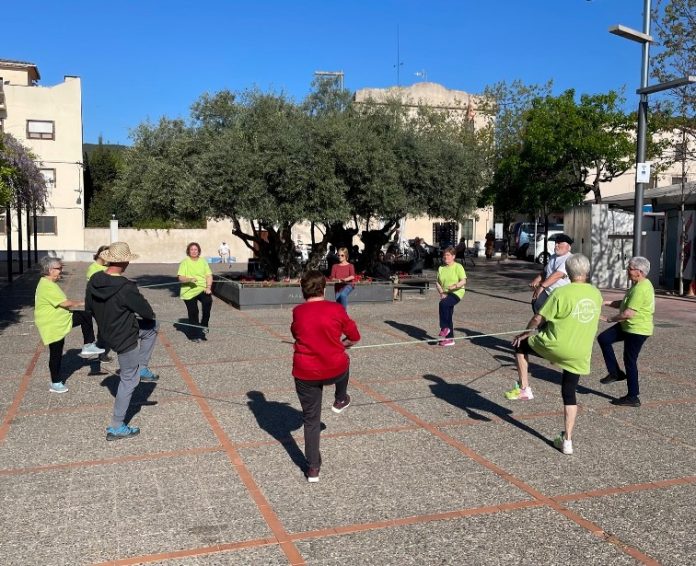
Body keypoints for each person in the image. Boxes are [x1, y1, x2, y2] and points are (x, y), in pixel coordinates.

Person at [506, 254, 602, 455]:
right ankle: (567, 441)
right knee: (569, 393)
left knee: (520, 346)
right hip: (579, 353)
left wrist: (524, 333)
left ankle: (525, 388)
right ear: (587, 272)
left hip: (555, 346)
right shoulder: (595, 294)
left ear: (568, 272)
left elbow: (538, 318)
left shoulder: (561, 293)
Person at [291, 270, 361, 482]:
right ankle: (340, 398)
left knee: (311, 420)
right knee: (344, 362)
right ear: (324, 288)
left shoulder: (298, 311)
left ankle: (313, 468)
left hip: (306, 372)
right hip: (333, 368)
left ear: (303, 290)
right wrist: (341, 344)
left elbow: (295, 332)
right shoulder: (336, 309)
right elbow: (355, 337)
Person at [86, 242, 159, 441]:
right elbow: (147, 312)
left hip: (107, 333)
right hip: (125, 338)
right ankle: (116, 426)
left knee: (152, 328)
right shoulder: (126, 287)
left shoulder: (94, 279)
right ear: (125, 261)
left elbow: (89, 306)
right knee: (129, 379)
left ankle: (142, 367)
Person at [34, 256, 105, 393]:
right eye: (59, 269)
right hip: (53, 324)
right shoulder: (47, 285)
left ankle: (88, 345)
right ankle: (55, 383)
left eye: (61, 268)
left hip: (60, 319)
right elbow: (65, 303)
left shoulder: (47, 283)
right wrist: (86, 302)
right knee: (56, 353)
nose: (61, 271)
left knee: (85, 315)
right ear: (50, 270)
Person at [597, 256, 654, 407]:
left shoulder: (641, 288)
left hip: (637, 329)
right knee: (604, 338)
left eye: (630, 268)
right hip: (628, 326)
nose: (627, 271)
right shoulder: (636, 285)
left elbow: (628, 313)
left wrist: (609, 319)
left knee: (630, 361)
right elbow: (624, 304)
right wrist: (604, 302)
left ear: (639, 272)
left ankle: (633, 397)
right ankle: (615, 373)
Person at [529, 233, 573, 314]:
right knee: (536, 303)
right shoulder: (553, 256)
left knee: (555, 313)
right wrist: (537, 280)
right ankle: (542, 326)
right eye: (556, 243)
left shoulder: (569, 259)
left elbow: (558, 275)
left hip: (561, 293)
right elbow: (545, 272)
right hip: (548, 290)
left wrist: (541, 287)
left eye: (559, 243)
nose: (556, 245)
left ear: (568, 247)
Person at [177, 242, 213, 341]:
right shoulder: (185, 262)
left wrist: (208, 287)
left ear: (198, 251)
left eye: (195, 249)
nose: (193, 251)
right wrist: (189, 279)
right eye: (191, 249)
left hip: (202, 288)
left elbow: (209, 275)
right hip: (188, 291)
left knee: (208, 301)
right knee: (193, 312)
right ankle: (193, 335)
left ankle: (204, 325)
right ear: (188, 251)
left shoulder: (203, 261)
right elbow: (180, 278)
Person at [85, 245, 113, 363]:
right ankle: (101, 353)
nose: (109, 258)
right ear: (100, 254)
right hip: (97, 303)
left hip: (106, 302)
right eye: (107, 255)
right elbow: (95, 288)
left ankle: (101, 351)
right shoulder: (93, 268)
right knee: (103, 328)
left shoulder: (106, 267)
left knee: (105, 328)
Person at [435, 246, 467, 347]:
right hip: (446, 293)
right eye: (444, 255)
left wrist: (455, 286)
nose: (445, 257)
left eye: (448, 255)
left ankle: (444, 327)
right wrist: (441, 292)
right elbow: (437, 282)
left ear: (453, 256)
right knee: (448, 314)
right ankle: (450, 339)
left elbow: (463, 281)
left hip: (457, 292)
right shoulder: (441, 268)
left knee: (443, 304)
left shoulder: (458, 266)